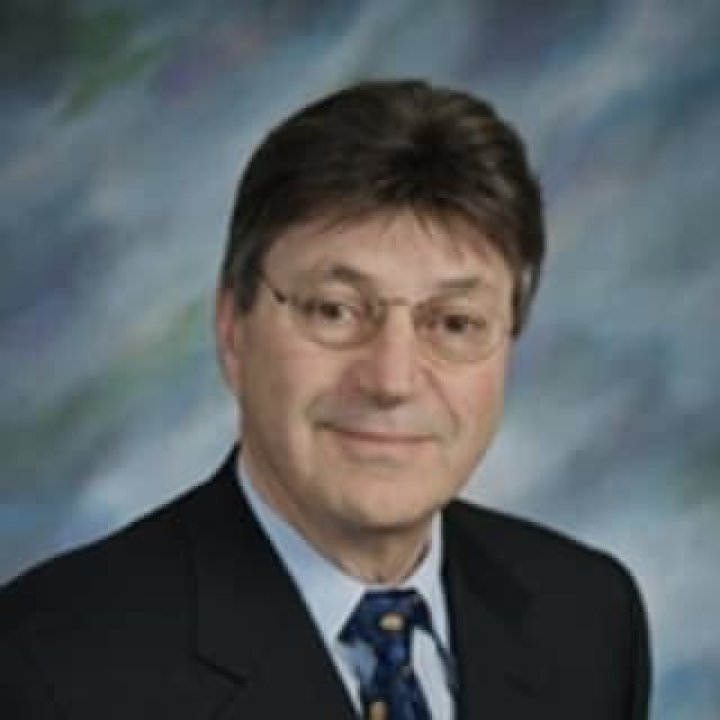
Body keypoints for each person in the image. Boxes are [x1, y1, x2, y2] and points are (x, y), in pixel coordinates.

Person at [0, 79, 651, 719]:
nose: (392, 380)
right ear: (233, 330)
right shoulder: (49, 666)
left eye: (455, 322)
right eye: (335, 311)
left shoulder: (589, 618)